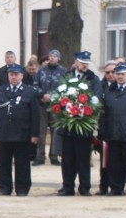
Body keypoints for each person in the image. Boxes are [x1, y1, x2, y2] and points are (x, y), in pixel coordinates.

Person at [0, 64, 40, 196]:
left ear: (22, 76)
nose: (14, 77)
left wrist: (34, 134)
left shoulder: (29, 91)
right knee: (4, 162)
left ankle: (22, 188)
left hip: (22, 132)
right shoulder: (0, 91)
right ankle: (5, 188)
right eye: (11, 75)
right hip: (4, 132)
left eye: (16, 75)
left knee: (22, 162)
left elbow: (35, 114)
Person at [56, 51, 101, 196]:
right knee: (67, 158)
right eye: (82, 62)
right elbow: (58, 95)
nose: (85, 65)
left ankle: (85, 187)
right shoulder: (66, 77)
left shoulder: (93, 79)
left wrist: (86, 110)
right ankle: (68, 186)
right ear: (76, 62)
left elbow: (97, 98)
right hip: (68, 125)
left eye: (87, 63)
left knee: (82, 157)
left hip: (84, 123)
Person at [99, 63, 126, 196]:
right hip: (113, 132)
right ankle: (116, 187)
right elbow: (104, 113)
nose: (120, 76)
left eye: (123, 74)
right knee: (115, 162)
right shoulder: (109, 91)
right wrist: (103, 131)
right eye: (118, 74)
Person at [34, 49, 67, 166]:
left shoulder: (63, 71)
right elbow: (35, 85)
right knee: (41, 131)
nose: (52, 58)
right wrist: (42, 94)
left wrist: (53, 97)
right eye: (50, 56)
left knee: (55, 131)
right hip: (42, 104)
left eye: (55, 56)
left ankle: (54, 155)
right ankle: (40, 155)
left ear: (59, 58)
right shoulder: (41, 71)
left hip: (56, 105)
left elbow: (66, 88)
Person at [95, 61, 117, 195]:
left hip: (118, 130)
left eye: (113, 72)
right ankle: (103, 186)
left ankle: (116, 186)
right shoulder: (100, 87)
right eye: (107, 72)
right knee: (104, 162)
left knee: (117, 161)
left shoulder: (120, 87)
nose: (110, 75)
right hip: (104, 130)